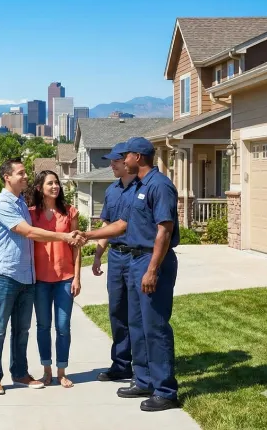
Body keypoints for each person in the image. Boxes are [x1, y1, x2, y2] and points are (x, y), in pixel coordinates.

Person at [80, 137, 180, 412]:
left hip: (151, 260)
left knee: (155, 327)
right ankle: (145, 379)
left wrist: (152, 270)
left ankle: (166, 391)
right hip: (134, 261)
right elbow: (122, 224)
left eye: (126, 157)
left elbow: (164, 230)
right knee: (137, 325)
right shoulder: (139, 187)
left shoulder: (159, 186)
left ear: (138, 157)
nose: (122, 161)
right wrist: (88, 235)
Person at [0, 159, 84, 395]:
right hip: (5, 274)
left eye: (26, 174)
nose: (26, 177)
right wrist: (64, 236)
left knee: (22, 330)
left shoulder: (21, 203)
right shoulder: (2, 204)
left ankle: (19, 373)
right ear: (7, 177)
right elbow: (28, 232)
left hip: (27, 277)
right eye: (21, 173)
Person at [28, 170, 81, 388]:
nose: (55, 186)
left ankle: (61, 371)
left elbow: (76, 247)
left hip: (65, 278)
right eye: (50, 183)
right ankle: (46, 370)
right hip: (40, 280)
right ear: (40, 188)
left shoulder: (70, 212)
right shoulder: (31, 214)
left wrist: (77, 277)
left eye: (57, 183)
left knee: (63, 327)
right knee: (42, 326)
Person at [92, 142, 139, 383]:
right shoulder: (111, 191)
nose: (111, 165)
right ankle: (121, 364)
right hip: (117, 257)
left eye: (115, 161)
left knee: (136, 314)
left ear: (128, 161)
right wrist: (99, 255)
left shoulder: (142, 189)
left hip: (136, 256)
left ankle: (142, 370)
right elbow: (106, 226)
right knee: (117, 312)